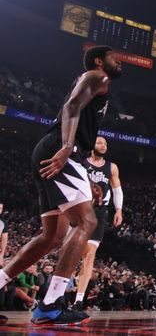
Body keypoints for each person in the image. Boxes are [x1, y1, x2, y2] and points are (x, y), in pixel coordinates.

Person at [0, 45, 120, 325]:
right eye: (114, 58)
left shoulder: (91, 80)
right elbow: (71, 107)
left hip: (51, 151)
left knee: (51, 237)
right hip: (60, 150)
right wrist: (67, 147)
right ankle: (50, 303)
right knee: (86, 222)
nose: (120, 62)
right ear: (100, 61)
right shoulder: (96, 76)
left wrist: (87, 177)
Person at [74, 136, 124, 310]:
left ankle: (79, 300)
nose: (103, 145)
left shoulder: (111, 167)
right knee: (75, 254)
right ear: (91, 145)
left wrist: (118, 210)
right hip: (79, 209)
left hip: (99, 212)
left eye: (105, 144)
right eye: (99, 142)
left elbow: (117, 190)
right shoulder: (81, 163)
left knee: (89, 255)